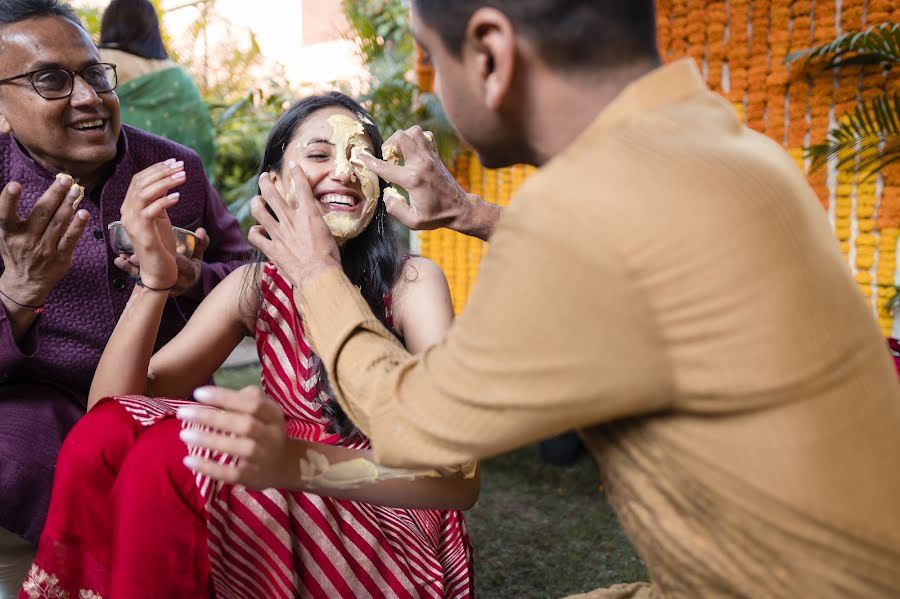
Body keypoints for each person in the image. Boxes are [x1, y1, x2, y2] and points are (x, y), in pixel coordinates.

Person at [181, 1, 900, 597]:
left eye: (433, 57)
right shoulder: (720, 143)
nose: (436, 86)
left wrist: (314, 272)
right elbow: (628, 251)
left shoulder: (573, 214)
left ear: (490, 54)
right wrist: (470, 213)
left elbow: (416, 426)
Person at [23, 92, 478, 599]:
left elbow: (459, 481)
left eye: (359, 157)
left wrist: (295, 461)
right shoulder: (256, 285)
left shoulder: (411, 282)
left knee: (174, 454)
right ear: (276, 183)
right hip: (274, 486)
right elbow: (110, 408)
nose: (345, 173)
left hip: (383, 510)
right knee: (106, 434)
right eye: (320, 154)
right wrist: (154, 279)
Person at [0, 0, 249, 594]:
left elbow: (245, 274)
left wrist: (188, 280)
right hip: (31, 435)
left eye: (93, 72)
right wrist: (15, 298)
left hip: (160, 413)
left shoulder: (173, 167)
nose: (89, 97)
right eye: (51, 80)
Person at [99, 0, 216, 174]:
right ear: (152, 30)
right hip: (181, 184)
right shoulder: (178, 77)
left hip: (109, 189)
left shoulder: (96, 61)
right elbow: (201, 140)